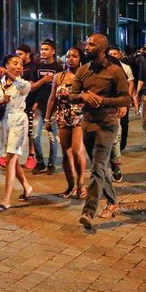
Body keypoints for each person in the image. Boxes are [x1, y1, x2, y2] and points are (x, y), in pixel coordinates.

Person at [70, 34, 131, 230]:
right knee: (101, 168)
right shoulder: (82, 70)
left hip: (107, 124)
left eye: (91, 44)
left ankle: (88, 211)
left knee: (97, 167)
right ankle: (113, 202)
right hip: (88, 124)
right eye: (86, 43)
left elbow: (125, 99)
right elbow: (71, 96)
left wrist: (103, 100)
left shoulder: (115, 71)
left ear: (102, 48)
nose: (86, 47)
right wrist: (83, 96)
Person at [0, 53, 33, 211]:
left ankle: (5, 200)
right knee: (12, 159)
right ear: (6, 64)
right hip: (4, 124)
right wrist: (1, 100)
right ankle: (26, 186)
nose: (19, 66)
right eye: (14, 63)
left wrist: (9, 73)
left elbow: (23, 87)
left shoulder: (23, 84)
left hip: (19, 121)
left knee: (10, 160)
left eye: (20, 64)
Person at [45, 47, 87, 198]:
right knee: (66, 153)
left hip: (79, 116)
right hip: (62, 116)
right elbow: (52, 99)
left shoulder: (85, 76)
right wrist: (47, 118)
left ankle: (81, 184)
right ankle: (71, 186)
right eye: (68, 56)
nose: (70, 59)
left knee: (76, 150)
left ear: (80, 58)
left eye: (74, 56)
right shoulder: (59, 77)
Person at [31, 40, 64, 174]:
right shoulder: (37, 67)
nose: (43, 51)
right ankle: (40, 162)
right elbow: (32, 87)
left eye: (46, 49)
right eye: (42, 49)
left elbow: (62, 89)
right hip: (39, 106)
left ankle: (51, 163)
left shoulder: (59, 68)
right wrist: (43, 80)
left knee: (53, 137)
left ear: (53, 51)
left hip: (54, 108)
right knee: (35, 135)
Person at [107, 47, 135, 182]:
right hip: (96, 111)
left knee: (115, 139)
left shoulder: (119, 71)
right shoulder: (91, 69)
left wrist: (123, 104)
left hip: (114, 109)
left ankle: (115, 165)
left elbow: (124, 90)